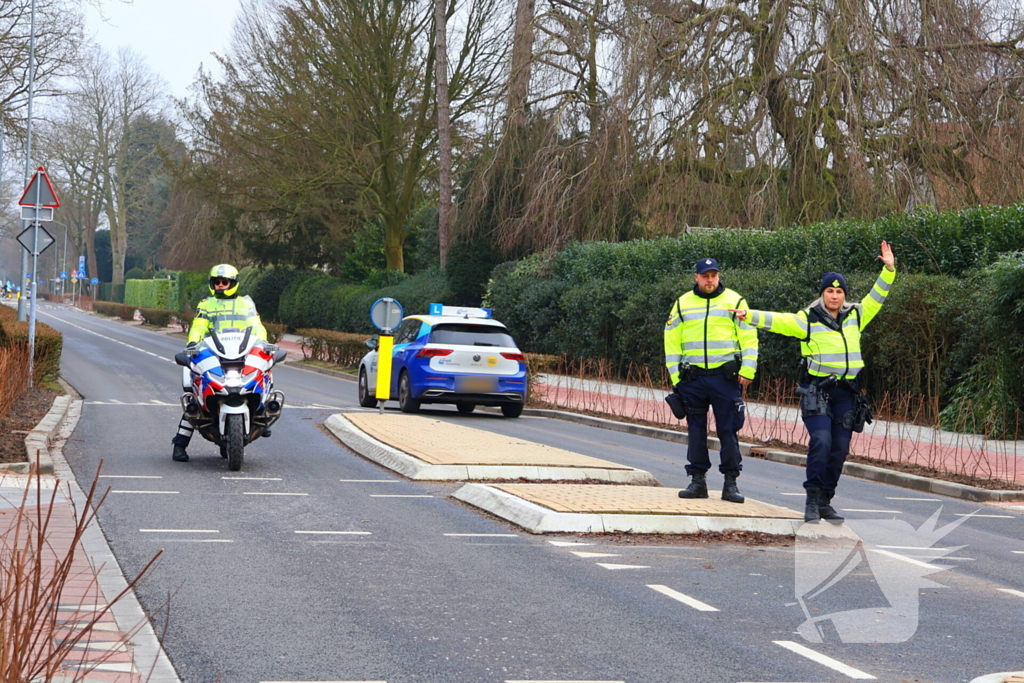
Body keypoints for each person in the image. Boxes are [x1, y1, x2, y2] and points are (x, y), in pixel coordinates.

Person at [731, 241, 897, 522]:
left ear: (845, 295)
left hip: (847, 394)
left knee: (840, 449)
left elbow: (877, 297)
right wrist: (750, 316)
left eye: (839, 291)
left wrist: (889, 269)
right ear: (822, 294)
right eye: (830, 291)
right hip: (817, 392)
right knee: (821, 441)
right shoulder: (808, 319)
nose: (835, 296)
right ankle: (810, 499)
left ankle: (825, 500)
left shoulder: (856, 315)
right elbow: (778, 321)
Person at [664, 257, 759, 503]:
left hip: (724, 378)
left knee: (728, 430)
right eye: (705, 275)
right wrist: (676, 376)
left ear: (718, 276)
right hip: (692, 378)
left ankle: (730, 483)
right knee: (696, 431)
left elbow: (749, 338)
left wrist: (748, 369)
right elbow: (671, 341)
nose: (710, 280)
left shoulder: (735, 301)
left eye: (713, 275)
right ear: (696, 277)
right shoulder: (682, 304)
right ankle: (698, 481)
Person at [172, 264, 268, 462]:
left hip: (240, 350)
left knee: (261, 374)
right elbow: (198, 326)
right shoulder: (207, 304)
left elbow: (257, 326)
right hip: (213, 351)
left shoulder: (245, 304)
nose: (221, 286)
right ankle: (180, 444)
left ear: (233, 283)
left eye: (225, 282)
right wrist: (192, 343)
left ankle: (262, 415)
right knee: (194, 395)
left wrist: (264, 344)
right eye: (217, 282)